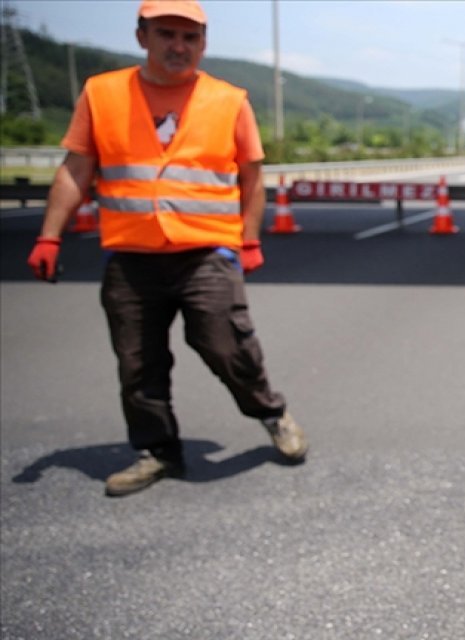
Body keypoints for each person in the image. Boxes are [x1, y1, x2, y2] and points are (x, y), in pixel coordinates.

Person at [25, 0, 307, 497]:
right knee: (138, 363)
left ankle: (271, 412)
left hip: (206, 252)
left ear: (203, 43)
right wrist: (49, 235)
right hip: (132, 256)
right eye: (167, 34)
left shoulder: (228, 100)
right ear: (143, 37)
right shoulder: (103, 94)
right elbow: (76, 170)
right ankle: (158, 451)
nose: (179, 46)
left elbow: (251, 179)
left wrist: (249, 239)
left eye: (190, 37)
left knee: (226, 345)